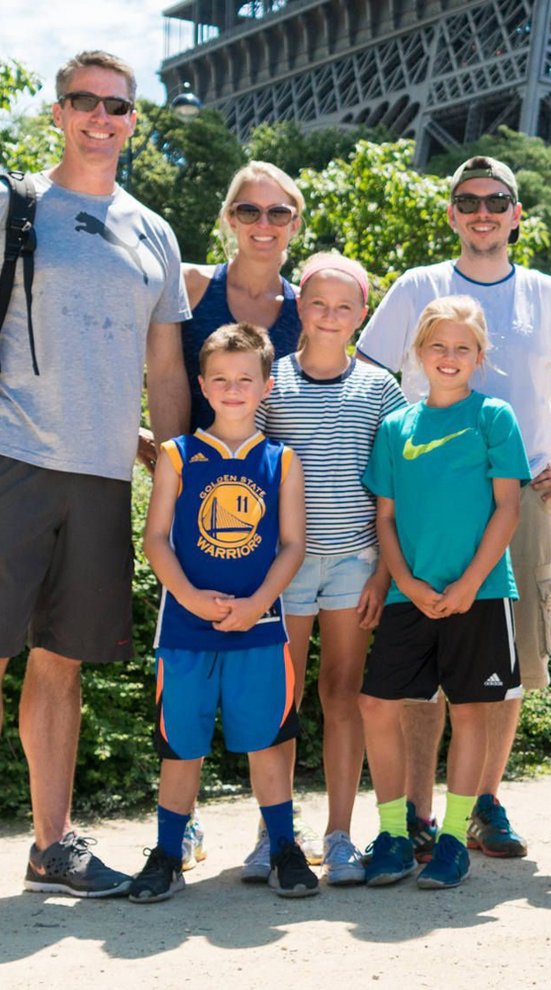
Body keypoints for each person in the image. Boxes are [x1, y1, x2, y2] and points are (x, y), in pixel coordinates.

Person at [356, 156, 551, 859]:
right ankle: (418, 812)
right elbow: (368, 382)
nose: (482, 212)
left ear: (517, 214)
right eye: (468, 201)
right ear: (452, 212)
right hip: (422, 502)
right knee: (422, 666)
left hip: (517, 498)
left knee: (504, 666)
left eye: (497, 201)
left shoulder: (547, 293)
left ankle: (484, 802)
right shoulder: (417, 287)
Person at [0, 50, 190, 898]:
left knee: (62, 661)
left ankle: (51, 846)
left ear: (133, 121)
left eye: (117, 106)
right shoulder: (17, 205)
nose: (101, 118)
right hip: (12, 458)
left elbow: (166, 367)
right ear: (59, 112)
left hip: (104, 475)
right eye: (85, 101)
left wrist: (180, 472)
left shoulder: (154, 232)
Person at [129, 322, 315, 902]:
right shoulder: (176, 455)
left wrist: (257, 604)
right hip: (186, 628)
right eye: (221, 379)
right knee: (181, 744)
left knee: (267, 742)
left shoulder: (282, 460)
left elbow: (293, 545)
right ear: (203, 385)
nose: (233, 389)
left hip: (259, 628)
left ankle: (283, 849)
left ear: (266, 387)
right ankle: (167, 853)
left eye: (245, 379)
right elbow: (156, 539)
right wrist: (189, 597)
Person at [357, 296, 530, 890]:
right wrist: (405, 582)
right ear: (418, 352)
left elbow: (508, 509)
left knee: (471, 709)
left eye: (462, 347)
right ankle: (395, 835)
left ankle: (454, 839)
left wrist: (469, 583)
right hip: (410, 596)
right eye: (438, 345)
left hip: (480, 594)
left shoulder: (494, 417)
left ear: (479, 356)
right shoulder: (395, 427)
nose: (449, 356)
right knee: (377, 704)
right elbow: (384, 518)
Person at [255, 252, 407, 885]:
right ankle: (274, 835)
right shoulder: (269, 380)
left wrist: (383, 574)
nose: (329, 315)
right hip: (282, 567)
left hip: (355, 563)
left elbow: (394, 489)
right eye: (318, 303)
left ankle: (339, 834)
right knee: (279, 698)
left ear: (362, 314)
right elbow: (245, 467)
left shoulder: (381, 387)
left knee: (343, 694)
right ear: (300, 306)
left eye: (344, 306)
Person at [182, 161, 304, 432]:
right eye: (249, 211)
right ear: (231, 217)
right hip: (190, 457)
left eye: (278, 213)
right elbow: (164, 378)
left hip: (277, 459)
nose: (263, 223)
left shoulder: (305, 309)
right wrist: (172, 453)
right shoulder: (190, 286)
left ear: (294, 224)